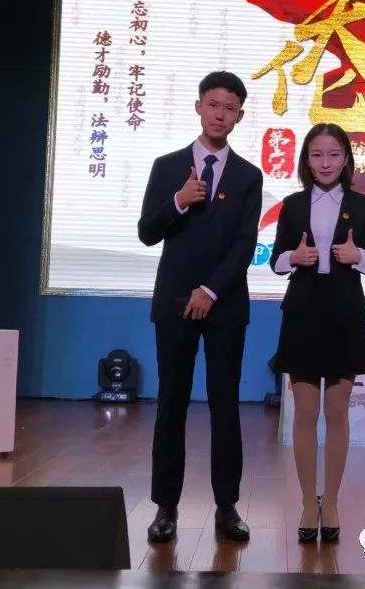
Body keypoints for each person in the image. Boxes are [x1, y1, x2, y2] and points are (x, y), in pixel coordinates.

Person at [138, 71, 263, 543]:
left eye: (230, 109)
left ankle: (227, 506)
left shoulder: (248, 176)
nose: (220, 115)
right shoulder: (168, 166)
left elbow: (245, 245)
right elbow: (147, 232)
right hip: (173, 303)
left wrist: (210, 290)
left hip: (225, 305)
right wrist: (178, 201)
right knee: (171, 402)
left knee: (224, 404)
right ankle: (165, 506)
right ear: (198, 107)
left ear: (240, 116)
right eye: (213, 105)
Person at [269, 122, 365, 543]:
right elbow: (275, 261)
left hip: (343, 312)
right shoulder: (292, 205)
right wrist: (293, 258)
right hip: (302, 311)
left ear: (346, 159)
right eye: (317, 154)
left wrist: (358, 255)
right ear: (306, 159)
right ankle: (306, 503)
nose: (325, 163)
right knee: (304, 413)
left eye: (334, 154)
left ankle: (330, 502)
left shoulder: (363, 206)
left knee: (337, 413)